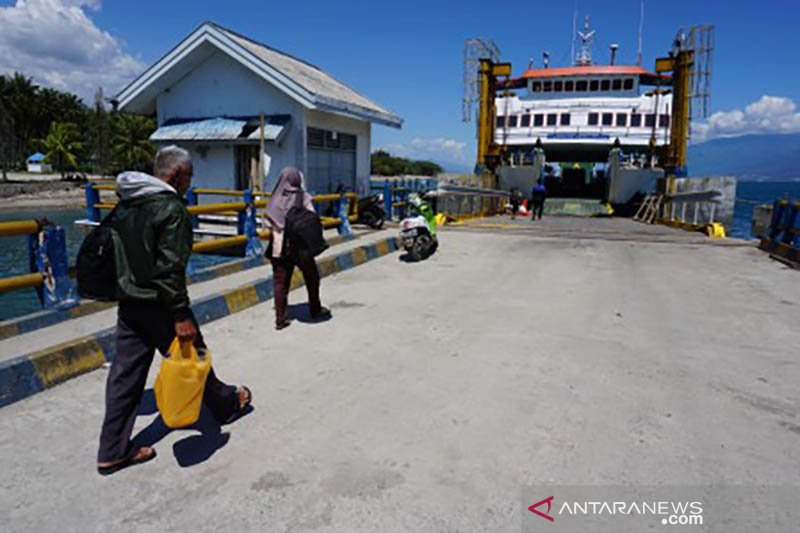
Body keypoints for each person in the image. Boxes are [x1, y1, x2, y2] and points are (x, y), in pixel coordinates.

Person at [97, 145, 251, 476]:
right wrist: (180, 315)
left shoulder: (128, 202)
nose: (189, 184)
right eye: (189, 178)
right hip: (162, 305)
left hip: (129, 302)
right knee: (194, 358)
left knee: (124, 376)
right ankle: (226, 404)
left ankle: (111, 450)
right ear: (178, 175)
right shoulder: (171, 209)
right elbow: (170, 268)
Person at [266, 166, 331, 330]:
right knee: (311, 277)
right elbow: (312, 217)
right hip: (301, 246)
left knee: (280, 283)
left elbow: (267, 222)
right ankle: (315, 308)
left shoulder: (274, 198)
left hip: (279, 247)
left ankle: (280, 319)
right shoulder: (303, 196)